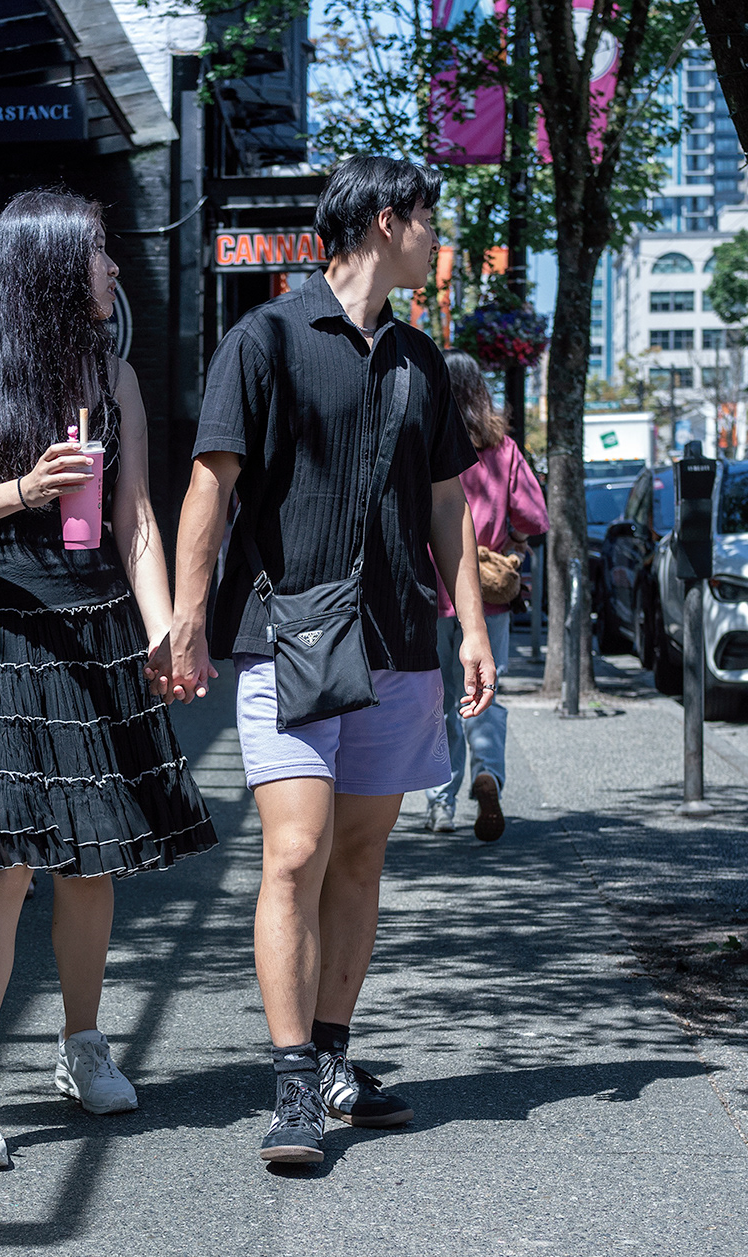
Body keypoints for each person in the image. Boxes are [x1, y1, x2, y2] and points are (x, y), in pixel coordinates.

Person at [167, 157, 496, 1166]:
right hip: (288, 631)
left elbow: (448, 505)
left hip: (399, 635)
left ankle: (338, 1054)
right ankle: (293, 1083)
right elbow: (210, 489)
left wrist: (471, 624)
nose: (437, 238)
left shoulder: (421, 360)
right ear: (388, 221)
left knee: (359, 855)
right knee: (296, 851)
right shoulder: (262, 338)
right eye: (429, 220)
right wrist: (187, 618)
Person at [0, 190, 217, 1170]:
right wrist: (20, 493)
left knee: (92, 860)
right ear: (47, 267)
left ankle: (82, 1047)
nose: (115, 270)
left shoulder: (110, 375)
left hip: (97, 630)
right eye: (100, 256)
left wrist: (167, 630)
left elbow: (136, 522)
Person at [425, 350, 548, 840]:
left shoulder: (425, 444)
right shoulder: (503, 450)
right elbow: (534, 519)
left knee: (438, 699)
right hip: (489, 594)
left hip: (431, 589)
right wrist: (509, 540)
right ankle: (488, 774)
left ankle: (440, 803)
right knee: (485, 693)